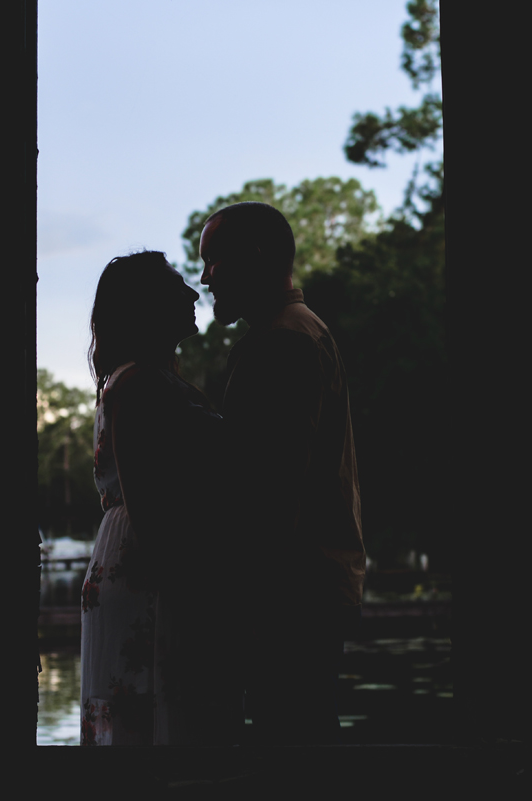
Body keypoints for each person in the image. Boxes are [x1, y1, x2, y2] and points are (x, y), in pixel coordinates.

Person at [198, 201, 366, 745]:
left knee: (293, 749)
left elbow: (271, 493)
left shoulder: (282, 343)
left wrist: (244, 608)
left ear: (254, 256)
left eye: (213, 261)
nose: (204, 279)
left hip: (291, 598)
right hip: (305, 590)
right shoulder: (296, 331)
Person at [79, 250, 241, 746]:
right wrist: (201, 598)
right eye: (178, 289)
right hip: (151, 574)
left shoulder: (137, 381)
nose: (194, 294)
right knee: (161, 715)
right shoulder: (142, 386)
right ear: (145, 307)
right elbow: (153, 508)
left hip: (132, 563)